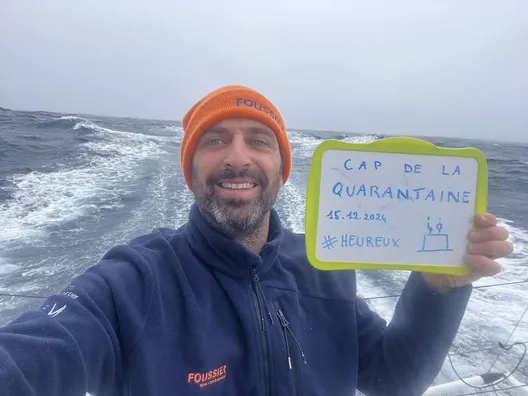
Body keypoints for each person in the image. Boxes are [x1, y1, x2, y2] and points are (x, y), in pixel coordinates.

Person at [0, 85, 513, 396]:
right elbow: (35, 355)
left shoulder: (325, 269)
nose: (238, 157)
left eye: (259, 140)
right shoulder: (133, 281)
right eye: (215, 140)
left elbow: (393, 381)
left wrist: (438, 291)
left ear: (282, 170)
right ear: (190, 170)